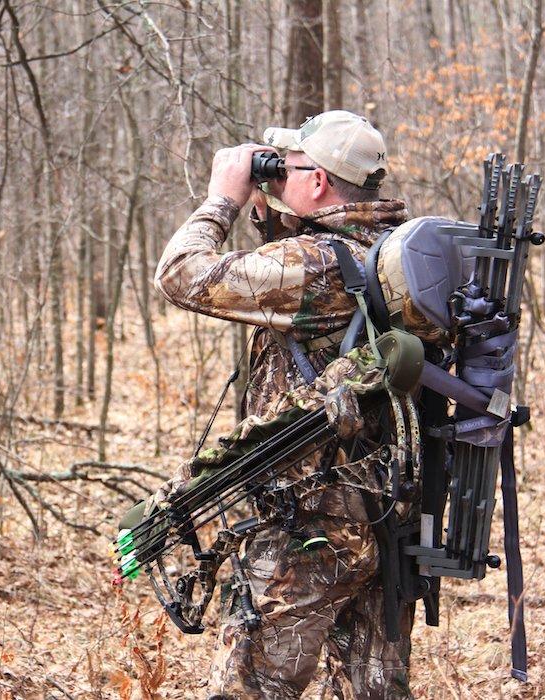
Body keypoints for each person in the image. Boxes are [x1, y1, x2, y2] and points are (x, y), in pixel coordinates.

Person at [153, 110, 415, 699]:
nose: (274, 175)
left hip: (303, 523)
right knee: (369, 691)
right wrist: (273, 213)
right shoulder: (390, 252)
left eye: (289, 166)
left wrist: (223, 198)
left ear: (318, 182)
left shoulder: (312, 265)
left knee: (250, 688)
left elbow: (180, 274)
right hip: (384, 513)